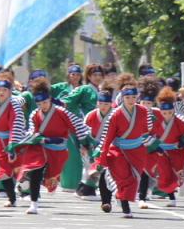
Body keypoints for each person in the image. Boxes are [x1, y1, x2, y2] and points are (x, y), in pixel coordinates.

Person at [12, 78, 90, 215]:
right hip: (40, 147)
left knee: (50, 178)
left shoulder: (62, 112)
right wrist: (32, 138)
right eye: (40, 103)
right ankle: (33, 203)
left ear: (50, 99)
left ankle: (33, 182)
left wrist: (85, 143)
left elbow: (77, 126)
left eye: (45, 102)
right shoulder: (34, 115)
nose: (43, 105)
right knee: (35, 170)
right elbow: (32, 131)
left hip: (58, 149)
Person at [96, 74, 151, 218]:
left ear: (137, 97)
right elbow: (108, 136)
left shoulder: (144, 111)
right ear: (122, 97)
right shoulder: (115, 114)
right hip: (119, 150)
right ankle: (126, 207)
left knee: (134, 178)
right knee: (124, 178)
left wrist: (148, 141)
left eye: (133, 97)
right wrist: (102, 155)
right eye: (127, 98)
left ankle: (122, 199)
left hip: (137, 150)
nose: (131, 100)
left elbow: (146, 130)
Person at [145, 87, 184, 207]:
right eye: (164, 113)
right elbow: (148, 134)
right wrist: (154, 145)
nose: (167, 115)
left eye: (170, 113)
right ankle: (172, 199)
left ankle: (181, 183)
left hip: (176, 151)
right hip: (161, 152)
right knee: (165, 174)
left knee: (177, 170)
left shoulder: (181, 122)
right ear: (160, 111)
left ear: (174, 111)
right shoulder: (154, 121)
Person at [55, 63, 105, 195]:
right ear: (88, 76)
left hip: (100, 127)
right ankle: (85, 187)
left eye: (100, 75)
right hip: (86, 127)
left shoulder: (103, 90)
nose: (97, 77)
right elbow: (67, 102)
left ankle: (86, 186)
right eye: (94, 75)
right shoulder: (84, 89)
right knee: (89, 157)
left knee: (95, 157)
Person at [0, 74, 26, 207]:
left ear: (10, 91)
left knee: (19, 167)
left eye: (5, 90)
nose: (1, 92)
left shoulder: (14, 104)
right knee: (4, 169)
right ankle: (11, 198)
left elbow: (17, 124)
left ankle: (26, 188)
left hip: (13, 140)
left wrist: (13, 144)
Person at [84, 83, 116, 211]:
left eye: (107, 104)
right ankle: (106, 201)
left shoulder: (115, 115)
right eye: (101, 104)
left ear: (111, 104)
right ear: (97, 103)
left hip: (112, 148)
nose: (103, 107)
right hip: (96, 149)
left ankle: (114, 197)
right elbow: (83, 132)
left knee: (109, 173)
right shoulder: (91, 115)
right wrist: (85, 146)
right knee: (102, 173)